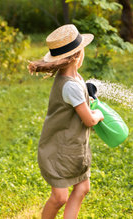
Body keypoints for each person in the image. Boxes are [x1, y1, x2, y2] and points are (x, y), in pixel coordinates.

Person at [27, 24, 104, 219]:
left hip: (72, 148)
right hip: (59, 150)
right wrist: (99, 115)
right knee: (60, 197)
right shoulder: (70, 86)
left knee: (82, 187)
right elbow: (88, 120)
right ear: (79, 55)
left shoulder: (74, 78)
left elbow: (79, 97)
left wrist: (90, 94)